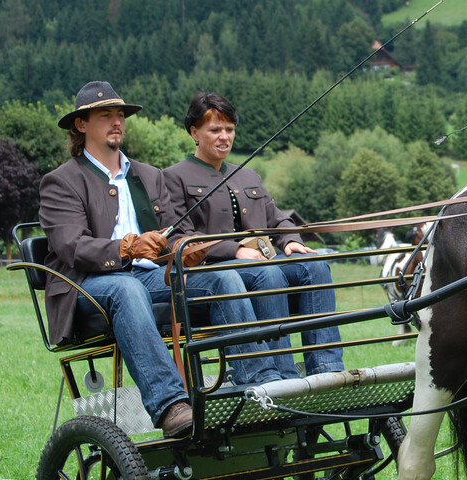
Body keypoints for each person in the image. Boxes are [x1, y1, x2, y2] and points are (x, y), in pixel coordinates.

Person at [41, 81, 285, 438]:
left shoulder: (148, 175)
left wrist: (189, 246)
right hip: (86, 286)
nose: (116, 122)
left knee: (223, 278)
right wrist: (126, 248)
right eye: (105, 115)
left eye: (120, 115)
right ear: (81, 125)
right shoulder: (62, 181)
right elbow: (70, 247)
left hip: (150, 278)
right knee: (126, 289)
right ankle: (171, 404)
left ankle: (262, 386)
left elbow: (172, 235)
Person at [164, 92, 343, 376]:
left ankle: (327, 368)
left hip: (260, 262)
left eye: (230, 129)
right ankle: (283, 375)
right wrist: (232, 250)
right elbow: (177, 237)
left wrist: (291, 240)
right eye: (215, 130)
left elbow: (278, 218)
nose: (224, 137)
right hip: (216, 270)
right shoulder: (174, 177)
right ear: (194, 132)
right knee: (267, 273)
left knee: (316, 265)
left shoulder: (248, 176)